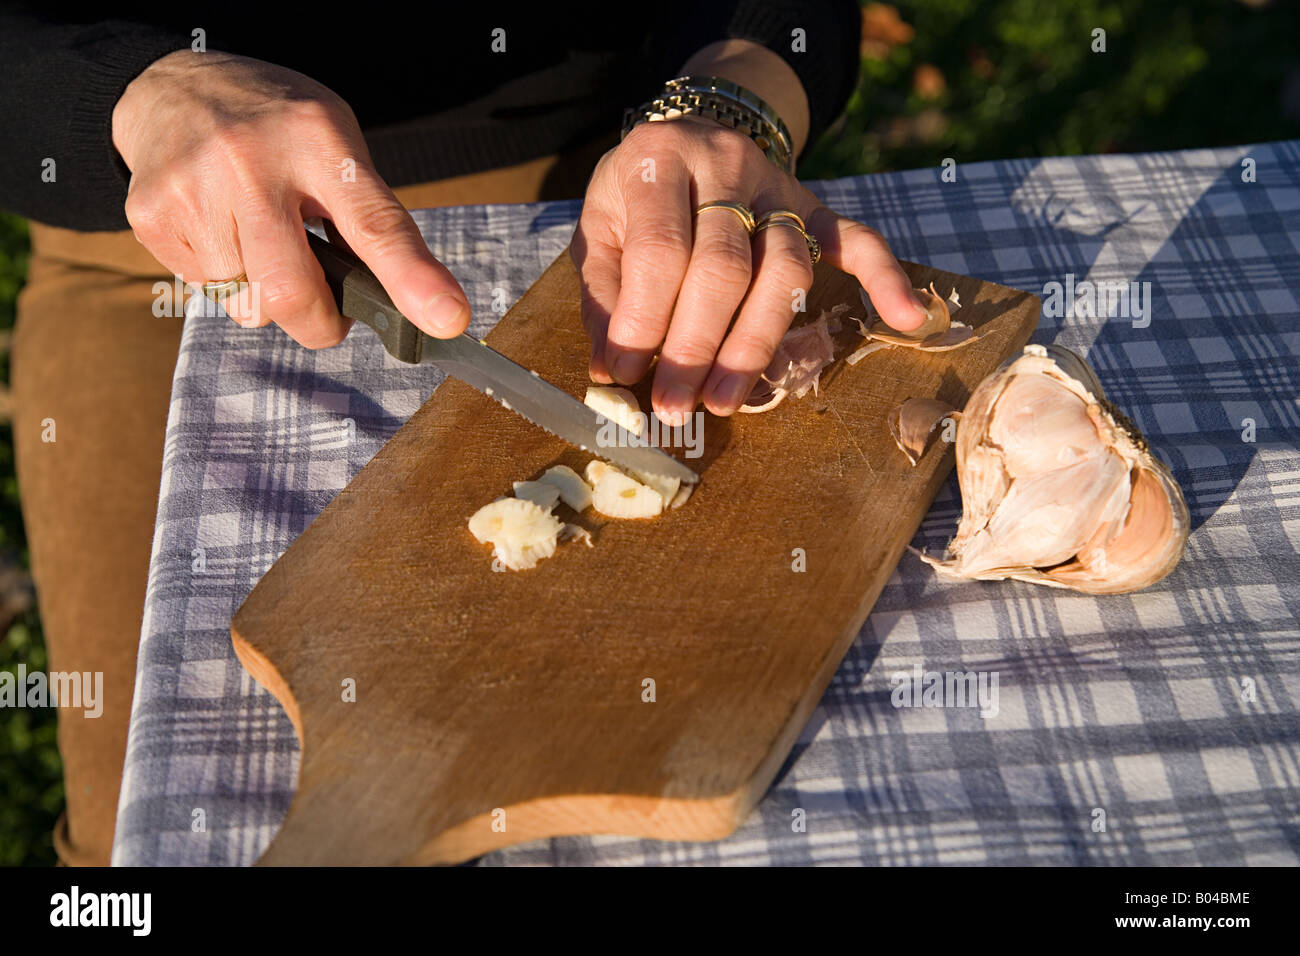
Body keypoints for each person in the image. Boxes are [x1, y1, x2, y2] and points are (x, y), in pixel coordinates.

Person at [0, 1, 929, 865]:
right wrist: (125, 88)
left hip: (587, 188)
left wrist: (733, 99)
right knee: (162, 820)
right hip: (144, 218)